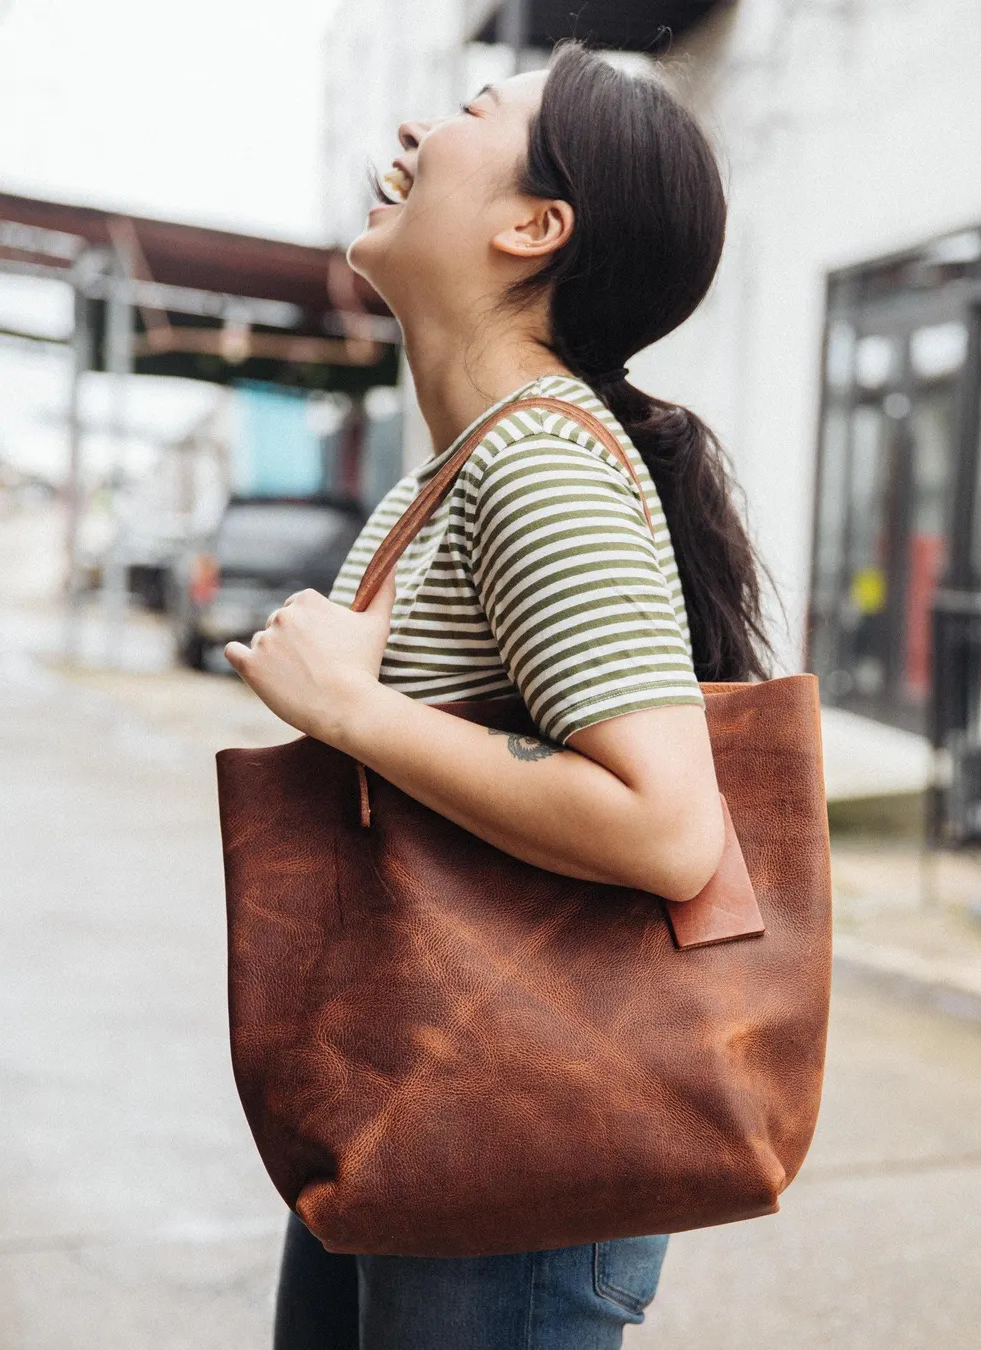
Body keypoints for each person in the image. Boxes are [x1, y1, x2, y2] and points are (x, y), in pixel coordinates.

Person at [225, 39, 769, 1350]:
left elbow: (667, 825)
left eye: (470, 112)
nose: (411, 129)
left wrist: (356, 712)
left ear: (535, 226)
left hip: (511, 1137)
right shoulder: (472, 462)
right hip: (420, 1093)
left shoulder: (538, 457)